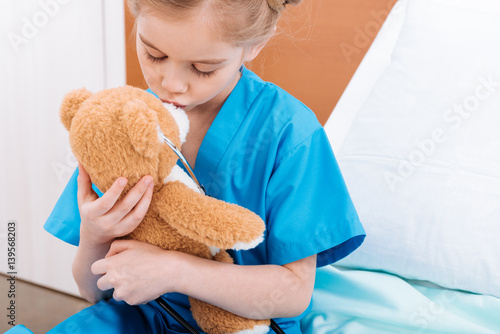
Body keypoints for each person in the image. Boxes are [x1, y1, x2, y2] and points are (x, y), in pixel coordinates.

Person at [43, 0, 366, 333]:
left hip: (244, 325)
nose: (171, 84)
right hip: (135, 319)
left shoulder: (289, 133)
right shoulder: (119, 123)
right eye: (154, 55)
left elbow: (294, 293)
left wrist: (175, 271)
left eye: (202, 68)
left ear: (255, 44)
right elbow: (92, 292)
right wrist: (94, 235)